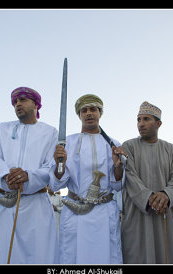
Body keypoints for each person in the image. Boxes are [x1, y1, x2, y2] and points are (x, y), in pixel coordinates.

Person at [50, 94, 125, 264]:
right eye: (84, 110)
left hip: (104, 212)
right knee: (72, 258)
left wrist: (118, 166)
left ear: (100, 113)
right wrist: (58, 164)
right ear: (79, 115)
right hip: (76, 212)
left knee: (107, 259)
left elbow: (118, 185)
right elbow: (56, 184)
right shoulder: (66, 143)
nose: (89, 113)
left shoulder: (113, 144)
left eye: (93, 109)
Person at [0, 87, 59, 264]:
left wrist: (28, 176)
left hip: (36, 206)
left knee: (39, 255)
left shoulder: (50, 132)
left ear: (36, 104)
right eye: (15, 101)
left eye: (23, 100)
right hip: (6, 204)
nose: (18, 104)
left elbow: (50, 165)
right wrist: (6, 177)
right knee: (2, 256)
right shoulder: (2, 129)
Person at [121, 101, 173, 264]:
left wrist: (165, 195)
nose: (140, 124)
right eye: (138, 120)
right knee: (136, 254)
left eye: (146, 119)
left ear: (158, 123)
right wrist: (149, 198)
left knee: (167, 254)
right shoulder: (128, 147)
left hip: (165, 213)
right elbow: (130, 177)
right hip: (137, 213)